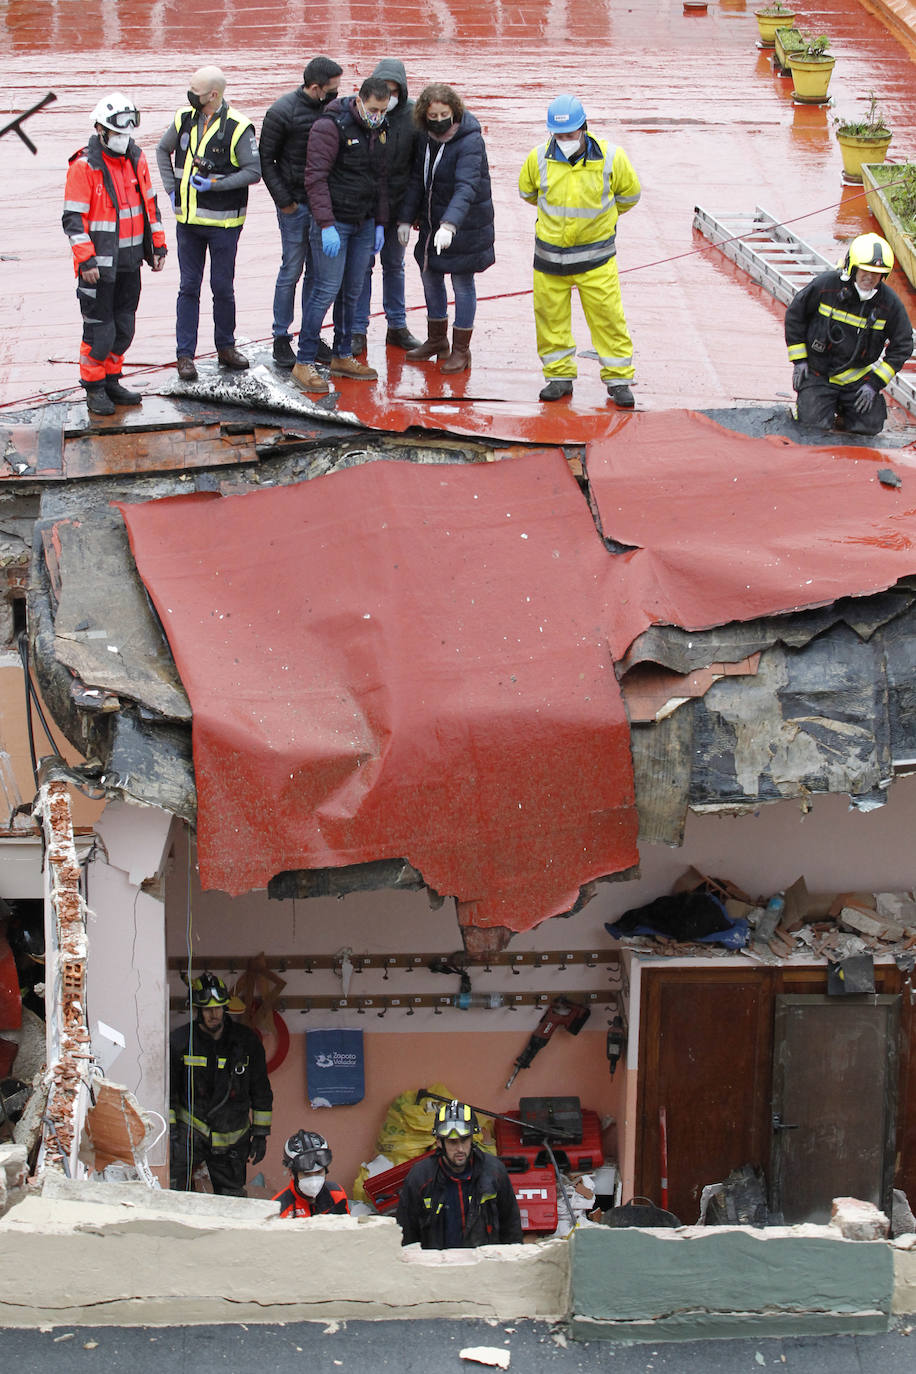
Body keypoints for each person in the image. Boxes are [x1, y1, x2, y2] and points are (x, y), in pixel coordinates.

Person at [518, 94, 641, 407]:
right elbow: (528, 191)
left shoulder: (612, 158)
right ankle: (559, 377)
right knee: (550, 318)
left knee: (608, 319)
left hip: (595, 260)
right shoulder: (538, 158)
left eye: (570, 135)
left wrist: (601, 222)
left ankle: (619, 381)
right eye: (558, 136)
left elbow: (629, 195)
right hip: (549, 260)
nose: (564, 141)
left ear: (585, 128)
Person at [62, 92, 167, 416]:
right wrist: (86, 260)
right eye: (118, 132)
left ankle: (112, 379)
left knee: (124, 326)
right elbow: (73, 218)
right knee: (99, 330)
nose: (124, 139)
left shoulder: (136, 158)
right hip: (98, 267)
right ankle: (94, 387)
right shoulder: (85, 166)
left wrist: (158, 246)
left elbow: (149, 205)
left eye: (127, 133)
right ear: (100, 129)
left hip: (129, 261)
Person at [157, 66, 261, 381]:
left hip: (223, 225)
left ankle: (225, 347)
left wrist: (215, 185)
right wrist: (171, 187)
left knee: (222, 287)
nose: (191, 95)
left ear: (213, 95)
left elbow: (253, 171)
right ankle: (184, 355)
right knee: (188, 287)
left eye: (196, 91)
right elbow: (163, 150)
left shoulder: (239, 127)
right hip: (187, 222)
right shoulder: (184, 119)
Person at [292, 76, 391, 395]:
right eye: (374, 108)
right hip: (334, 222)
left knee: (353, 290)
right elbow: (315, 178)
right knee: (325, 289)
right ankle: (304, 360)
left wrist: (379, 221)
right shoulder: (330, 126)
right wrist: (325, 224)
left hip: (362, 221)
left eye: (383, 110)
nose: (378, 114)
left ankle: (343, 354)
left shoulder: (377, 129)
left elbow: (379, 178)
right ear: (360, 101)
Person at [398, 84, 494, 374]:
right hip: (431, 222)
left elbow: (466, 187)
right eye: (433, 114)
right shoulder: (425, 139)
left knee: (462, 284)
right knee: (430, 276)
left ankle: (461, 350)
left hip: (466, 225)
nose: (439, 119)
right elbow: (417, 179)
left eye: (444, 114)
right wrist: (406, 218)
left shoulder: (469, 141)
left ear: (455, 112)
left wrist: (449, 225)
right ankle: (437, 339)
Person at [785, 232, 913, 436]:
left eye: (876, 273)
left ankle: (846, 411)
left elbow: (904, 344)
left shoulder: (889, 304)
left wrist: (875, 384)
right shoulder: (826, 287)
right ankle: (818, 404)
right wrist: (799, 360)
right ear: (852, 267)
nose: (870, 278)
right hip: (819, 375)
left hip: (858, 381)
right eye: (865, 271)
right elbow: (795, 315)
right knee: (812, 428)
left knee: (868, 427)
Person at [259, 56, 342, 369]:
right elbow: (268, 161)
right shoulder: (282, 112)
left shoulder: (332, 110)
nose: (337, 94)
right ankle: (281, 335)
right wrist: (285, 201)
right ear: (316, 87)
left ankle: (311, 332)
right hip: (295, 204)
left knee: (317, 272)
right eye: (332, 89)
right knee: (291, 269)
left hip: (323, 206)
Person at [169, 971, 273, 1196]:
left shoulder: (246, 1042)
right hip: (190, 1136)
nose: (213, 1014)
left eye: (218, 1008)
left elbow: (261, 1089)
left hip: (232, 1138)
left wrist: (261, 1133)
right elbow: (169, 1091)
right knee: (178, 1196)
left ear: (225, 1007)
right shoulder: (180, 1042)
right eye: (207, 1009)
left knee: (232, 1201)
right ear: (197, 1011)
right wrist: (172, 1130)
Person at [350, 59, 421, 356]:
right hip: (366, 208)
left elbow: (417, 168)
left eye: (394, 91)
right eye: (384, 90)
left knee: (395, 266)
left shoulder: (413, 117)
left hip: (398, 206)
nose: (388, 97)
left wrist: (411, 214)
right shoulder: (361, 113)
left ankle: (397, 325)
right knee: (361, 268)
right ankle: (357, 329)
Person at [396, 1099, 522, 1249]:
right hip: (437, 1267)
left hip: (484, 1266)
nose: (460, 1149)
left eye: (465, 1140)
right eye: (453, 1142)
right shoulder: (420, 1177)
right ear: (439, 1142)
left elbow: (511, 1225)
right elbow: (406, 1232)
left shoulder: (494, 1172)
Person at [273, 1130, 350, 1218]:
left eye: (319, 1172)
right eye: (306, 1174)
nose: (314, 1180)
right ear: (292, 1173)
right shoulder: (279, 1208)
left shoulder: (336, 1194)